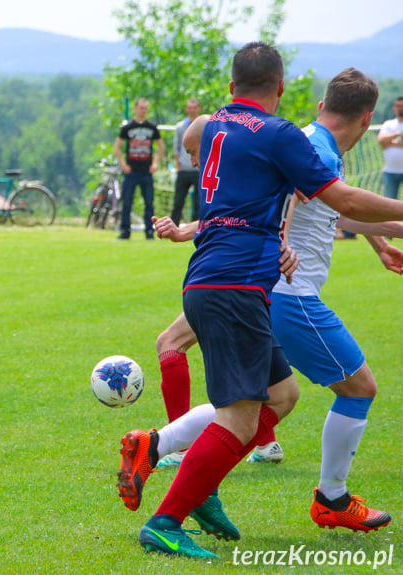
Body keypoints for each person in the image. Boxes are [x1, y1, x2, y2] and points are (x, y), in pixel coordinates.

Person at [117, 45, 403, 559]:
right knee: (246, 417)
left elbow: (195, 136)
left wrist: (291, 235)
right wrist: (282, 238)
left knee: (280, 397)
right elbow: (342, 200)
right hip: (242, 283)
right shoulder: (282, 136)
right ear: (281, 90)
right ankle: (167, 514)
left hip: (212, 276)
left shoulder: (214, 127)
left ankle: (171, 462)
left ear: (230, 88)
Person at [153, 116, 283, 470]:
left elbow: (307, 200)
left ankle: (175, 447)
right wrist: (183, 232)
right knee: (280, 389)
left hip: (241, 280)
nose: (194, 162)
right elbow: (233, 218)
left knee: (249, 395)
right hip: (243, 279)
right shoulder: (240, 156)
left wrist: (288, 243)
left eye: (194, 151)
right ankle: (266, 442)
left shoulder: (250, 155)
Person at [113, 98, 164, 240]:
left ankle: (149, 231)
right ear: (135, 108)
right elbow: (117, 146)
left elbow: (161, 147)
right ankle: (125, 230)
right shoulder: (127, 127)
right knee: (127, 201)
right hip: (131, 170)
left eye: (145, 108)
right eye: (141, 108)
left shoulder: (152, 127)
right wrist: (123, 164)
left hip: (146, 170)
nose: (143, 111)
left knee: (149, 202)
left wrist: (155, 163)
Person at [171, 98, 201, 225]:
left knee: (198, 202)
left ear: (199, 109)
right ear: (186, 109)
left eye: (194, 107)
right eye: (190, 107)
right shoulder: (180, 127)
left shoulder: (205, 125)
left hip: (198, 169)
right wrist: (178, 165)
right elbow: (176, 148)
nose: (192, 110)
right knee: (178, 201)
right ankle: (173, 226)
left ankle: (196, 228)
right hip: (184, 169)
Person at [378, 96, 403, 201]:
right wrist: (397, 135)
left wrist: (390, 142)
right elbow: (381, 140)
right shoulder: (388, 124)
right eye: (398, 106)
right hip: (390, 170)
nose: (400, 108)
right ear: (394, 108)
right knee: (389, 203)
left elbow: (385, 143)